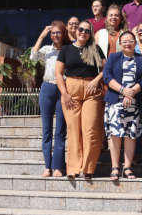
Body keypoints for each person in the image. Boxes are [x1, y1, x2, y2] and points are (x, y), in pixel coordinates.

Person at [55, 21, 106, 179]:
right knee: (73, 129)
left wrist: (96, 80)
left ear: (90, 34)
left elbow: (106, 69)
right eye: (81, 29)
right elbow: (58, 73)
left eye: (87, 30)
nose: (83, 32)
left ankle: (88, 168)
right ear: (76, 31)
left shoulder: (95, 49)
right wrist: (64, 93)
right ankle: (73, 168)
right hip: (71, 90)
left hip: (92, 90)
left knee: (91, 129)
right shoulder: (66, 49)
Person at [102, 31, 142, 181]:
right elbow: (107, 76)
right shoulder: (113, 57)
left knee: (131, 134)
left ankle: (127, 167)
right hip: (115, 101)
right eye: (124, 41)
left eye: (130, 41)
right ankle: (115, 167)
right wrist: (123, 91)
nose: (128, 44)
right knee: (115, 134)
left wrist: (131, 93)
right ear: (120, 44)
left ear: (135, 43)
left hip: (134, 102)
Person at [32, 21, 69, 177]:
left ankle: (58, 166)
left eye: (58, 32)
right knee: (47, 130)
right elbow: (33, 57)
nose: (55, 35)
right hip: (47, 88)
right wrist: (42, 36)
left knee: (60, 129)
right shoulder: (47, 49)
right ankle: (47, 167)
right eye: (53, 33)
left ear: (63, 33)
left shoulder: (68, 49)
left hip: (63, 89)